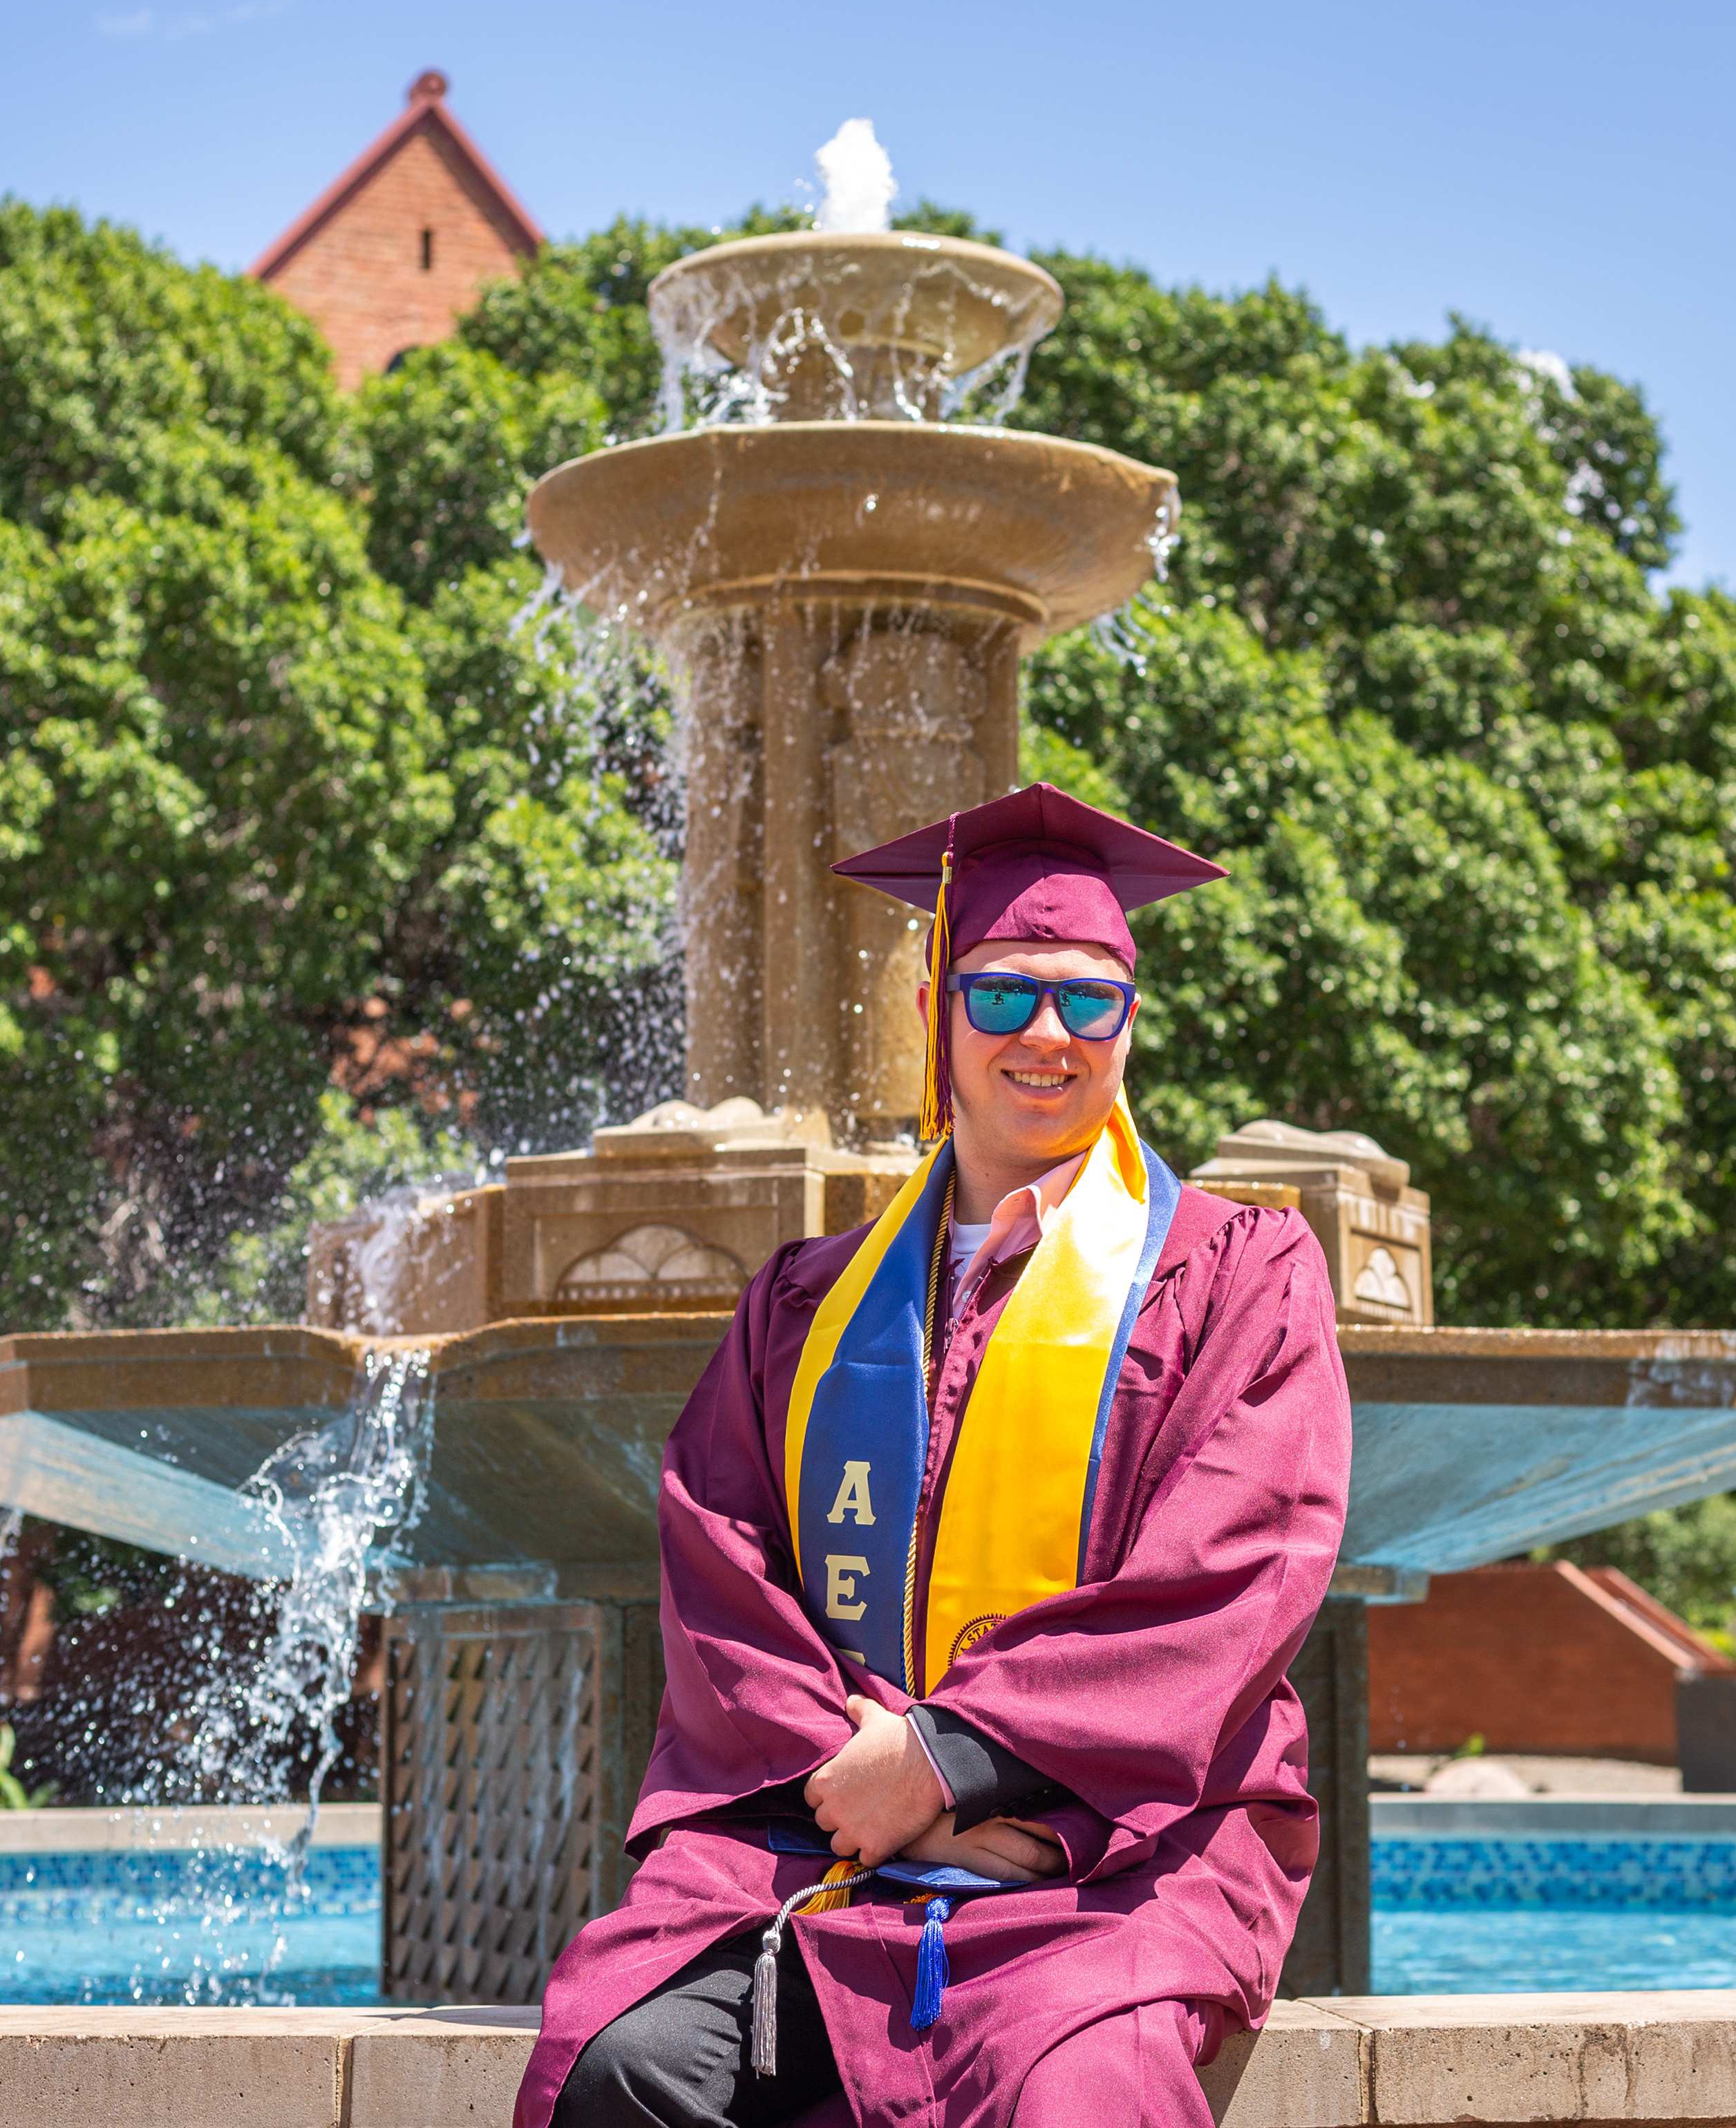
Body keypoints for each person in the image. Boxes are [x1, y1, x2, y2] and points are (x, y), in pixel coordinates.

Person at [517, 782, 1351, 2128]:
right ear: (933, 1016)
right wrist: (873, 1787)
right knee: (626, 2074)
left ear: (1131, 1029)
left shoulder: (1238, 1274)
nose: (1048, 1034)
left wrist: (958, 1762)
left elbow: (1235, 1574)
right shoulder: (806, 1301)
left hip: (1116, 1850)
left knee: (1080, 2094)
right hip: (820, 1833)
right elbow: (723, 1568)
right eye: (1004, 993)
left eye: (1091, 1001)